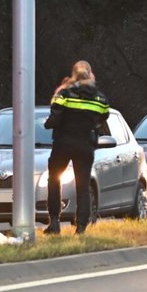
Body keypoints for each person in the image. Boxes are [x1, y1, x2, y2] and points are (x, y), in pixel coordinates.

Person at [43, 60, 111, 235]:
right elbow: (104, 116)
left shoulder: (64, 93)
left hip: (63, 144)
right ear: (91, 73)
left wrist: (47, 123)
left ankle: (55, 222)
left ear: (74, 73)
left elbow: (54, 118)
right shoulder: (100, 97)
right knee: (83, 185)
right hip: (85, 145)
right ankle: (81, 226)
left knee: (54, 179)